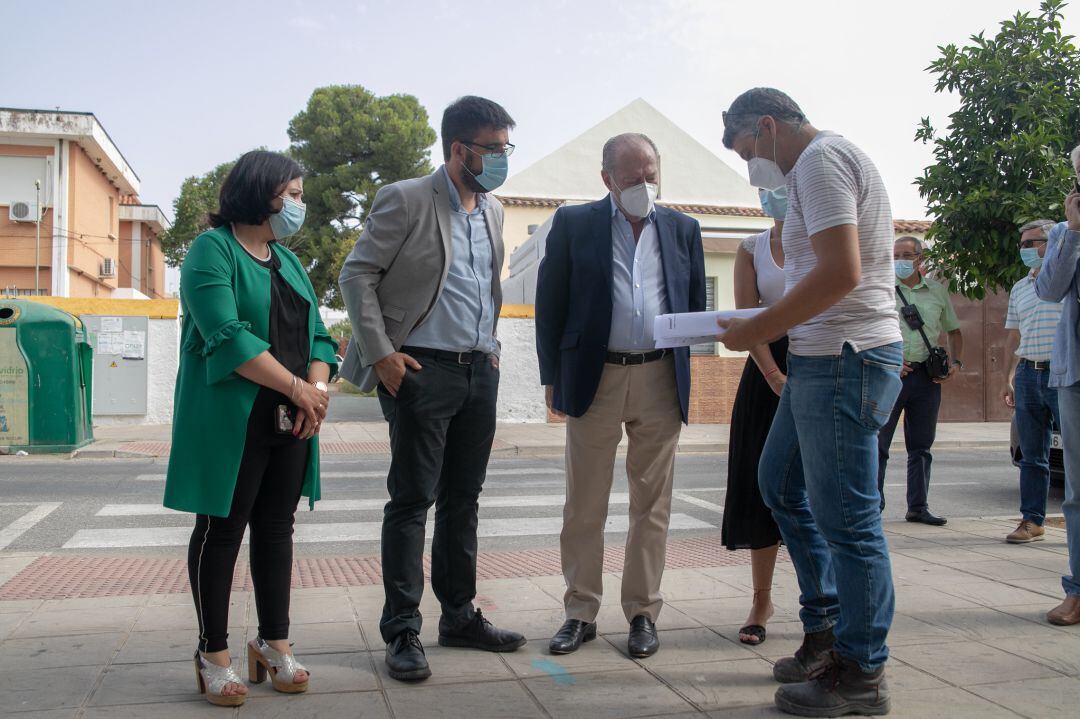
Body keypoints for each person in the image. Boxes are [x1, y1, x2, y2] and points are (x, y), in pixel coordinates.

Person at [718, 88, 902, 717]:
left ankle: (861, 673)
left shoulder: (820, 162)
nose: (752, 171)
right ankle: (825, 630)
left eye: (749, 152)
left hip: (846, 359)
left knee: (849, 520)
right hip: (818, 361)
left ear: (768, 127)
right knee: (779, 484)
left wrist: (761, 327)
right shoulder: (813, 170)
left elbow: (842, 271)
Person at [337, 96, 525, 682]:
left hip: (477, 370)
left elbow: (483, 286)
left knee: (463, 500)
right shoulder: (408, 198)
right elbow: (357, 272)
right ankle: (402, 630)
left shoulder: (491, 210)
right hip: (420, 370)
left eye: (505, 148)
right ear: (458, 150)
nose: (500, 159)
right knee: (413, 500)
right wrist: (382, 354)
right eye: (491, 149)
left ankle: (460, 616)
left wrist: (490, 350)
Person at [163, 150, 338, 706]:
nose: (298, 204)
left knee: (277, 528)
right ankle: (213, 653)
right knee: (221, 530)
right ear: (262, 193)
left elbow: (320, 337)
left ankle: (273, 643)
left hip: (290, 419)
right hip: (232, 421)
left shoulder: (287, 261)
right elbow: (228, 336)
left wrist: (317, 390)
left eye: (300, 194)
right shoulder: (210, 253)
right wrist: (298, 390)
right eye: (292, 193)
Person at [535, 133, 705, 659]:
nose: (645, 185)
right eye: (633, 177)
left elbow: (693, 302)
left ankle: (642, 614)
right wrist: (552, 379)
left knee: (652, 507)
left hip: (658, 378)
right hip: (595, 377)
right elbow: (550, 303)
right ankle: (580, 612)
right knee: (584, 504)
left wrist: (685, 373)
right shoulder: (573, 224)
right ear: (606, 178)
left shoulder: (683, 229)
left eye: (651, 174)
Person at [721, 188, 787, 647]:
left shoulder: (824, 241)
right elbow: (747, 319)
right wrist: (774, 375)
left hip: (822, 361)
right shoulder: (751, 249)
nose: (774, 194)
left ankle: (824, 601)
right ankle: (761, 600)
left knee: (818, 492)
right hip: (766, 371)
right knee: (759, 485)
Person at [876, 237, 963, 525]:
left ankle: (918, 506)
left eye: (907, 255)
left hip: (926, 380)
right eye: (896, 255)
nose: (900, 260)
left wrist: (956, 363)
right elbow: (870, 330)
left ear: (919, 259)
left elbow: (954, 331)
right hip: (890, 375)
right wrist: (885, 361)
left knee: (922, 446)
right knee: (878, 444)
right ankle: (872, 506)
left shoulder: (937, 291)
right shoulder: (883, 290)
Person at [1033, 143, 1080, 627]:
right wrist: (1073, 233)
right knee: (1077, 495)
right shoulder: (1067, 232)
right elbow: (1048, 290)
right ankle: (1079, 591)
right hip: (1076, 375)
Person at [1002, 220, 1063, 544]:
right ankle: (1031, 521)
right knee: (1032, 454)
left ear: (1052, 242)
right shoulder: (1020, 287)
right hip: (1028, 373)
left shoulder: (1068, 278)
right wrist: (1007, 377)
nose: (1026, 250)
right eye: (1022, 245)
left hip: (1063, 374)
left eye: (1032, 243)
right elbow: (1013, 334)